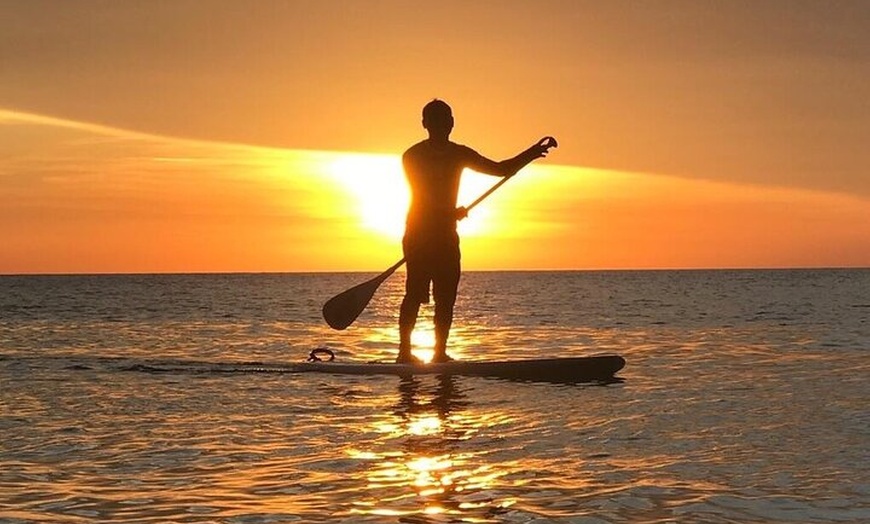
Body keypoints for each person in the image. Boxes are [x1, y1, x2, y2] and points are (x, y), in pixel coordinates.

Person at [398, 99, 556, 364]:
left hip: (447, 237)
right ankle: (404, 353)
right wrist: (450, 213)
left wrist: (531, 153)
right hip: (419, 235)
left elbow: (500, 169)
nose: (443, 124)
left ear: (452, 122)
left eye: (447, 118)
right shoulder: (412, 156)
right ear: (425, 124)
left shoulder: (459, 153)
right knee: (415, 293)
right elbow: (422, 197)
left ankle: (439, 354)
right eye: (436, 119)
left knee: (446, 297)